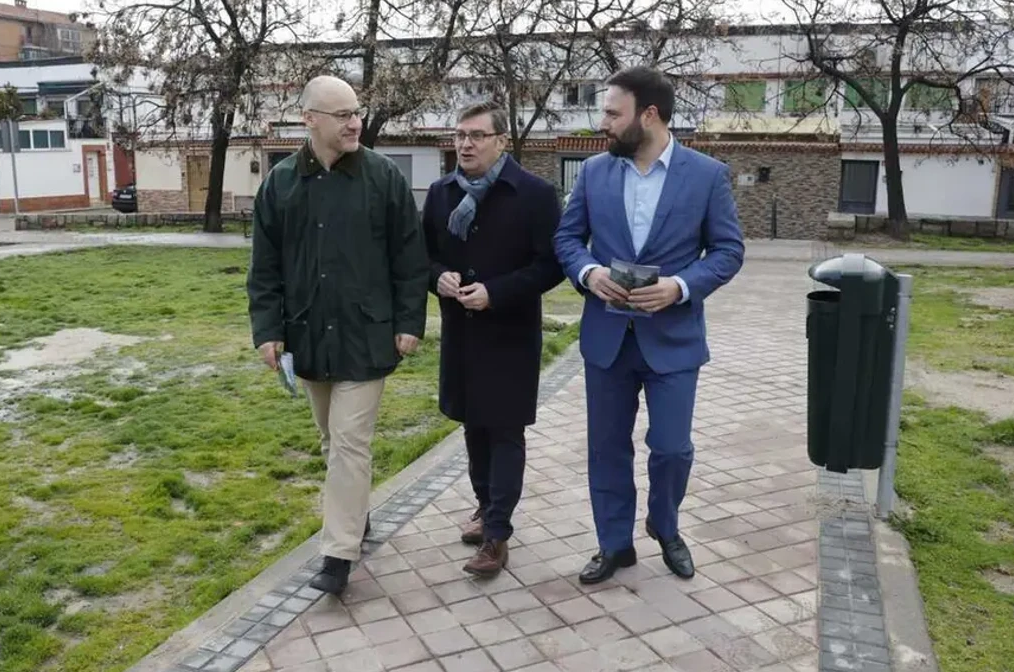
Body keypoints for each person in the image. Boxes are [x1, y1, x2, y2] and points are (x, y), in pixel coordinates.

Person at [553, 66, 744, 585]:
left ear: (650, 115)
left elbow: (728, 251)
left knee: (673, 447)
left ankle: (664, 524)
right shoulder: (593, 173)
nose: (603, 124)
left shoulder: (706, 175)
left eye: (613, 113)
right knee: (607, 447)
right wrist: (589, 273)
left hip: (673, 340)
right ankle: (614, 545)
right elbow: (567, 240)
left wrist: (680, 287)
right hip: (607, 340)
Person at [246, 75, 429, 595]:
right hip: (309, 336)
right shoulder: (280, 184)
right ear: (309, 120)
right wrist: (268, 330)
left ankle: (338, 555)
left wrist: (409, 323)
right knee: (331, 441)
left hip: (368, 337)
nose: (355, 123)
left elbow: (409, 259)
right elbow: (265, 268)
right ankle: (355, 513)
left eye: (357, 112)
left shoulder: (383, 177)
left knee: (351, 442)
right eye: (343, 114)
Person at [422, 103, 565, 578]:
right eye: (460, 135)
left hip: (509, 333)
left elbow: (551, 265)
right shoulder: (441, 194)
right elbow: (423, 257)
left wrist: (496, 292)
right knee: (473, 426)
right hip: (462, 335)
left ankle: (497, 535)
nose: (466, 144)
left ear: (502, 140)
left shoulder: (535, 194)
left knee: (504, 430)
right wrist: (438, 277)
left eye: (477, 135)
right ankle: (485, 506)